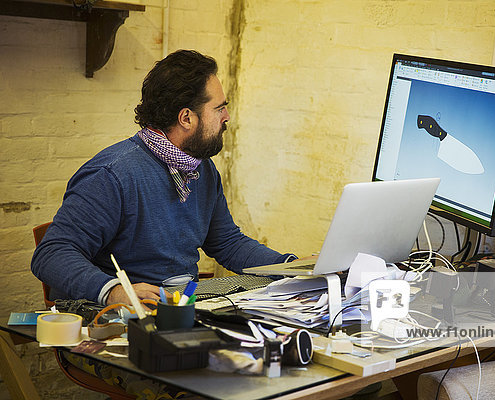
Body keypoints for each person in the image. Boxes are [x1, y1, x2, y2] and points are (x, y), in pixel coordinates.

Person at [31, 49, 296, 307]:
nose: (227, 117)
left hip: (184, 308)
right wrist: (114, 292)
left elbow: (227, 242)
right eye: (219, 109)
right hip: (125, 321)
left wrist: (294, 267)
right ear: (186, 118)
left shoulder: (201, 168)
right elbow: (51, 254)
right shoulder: (111, 174)